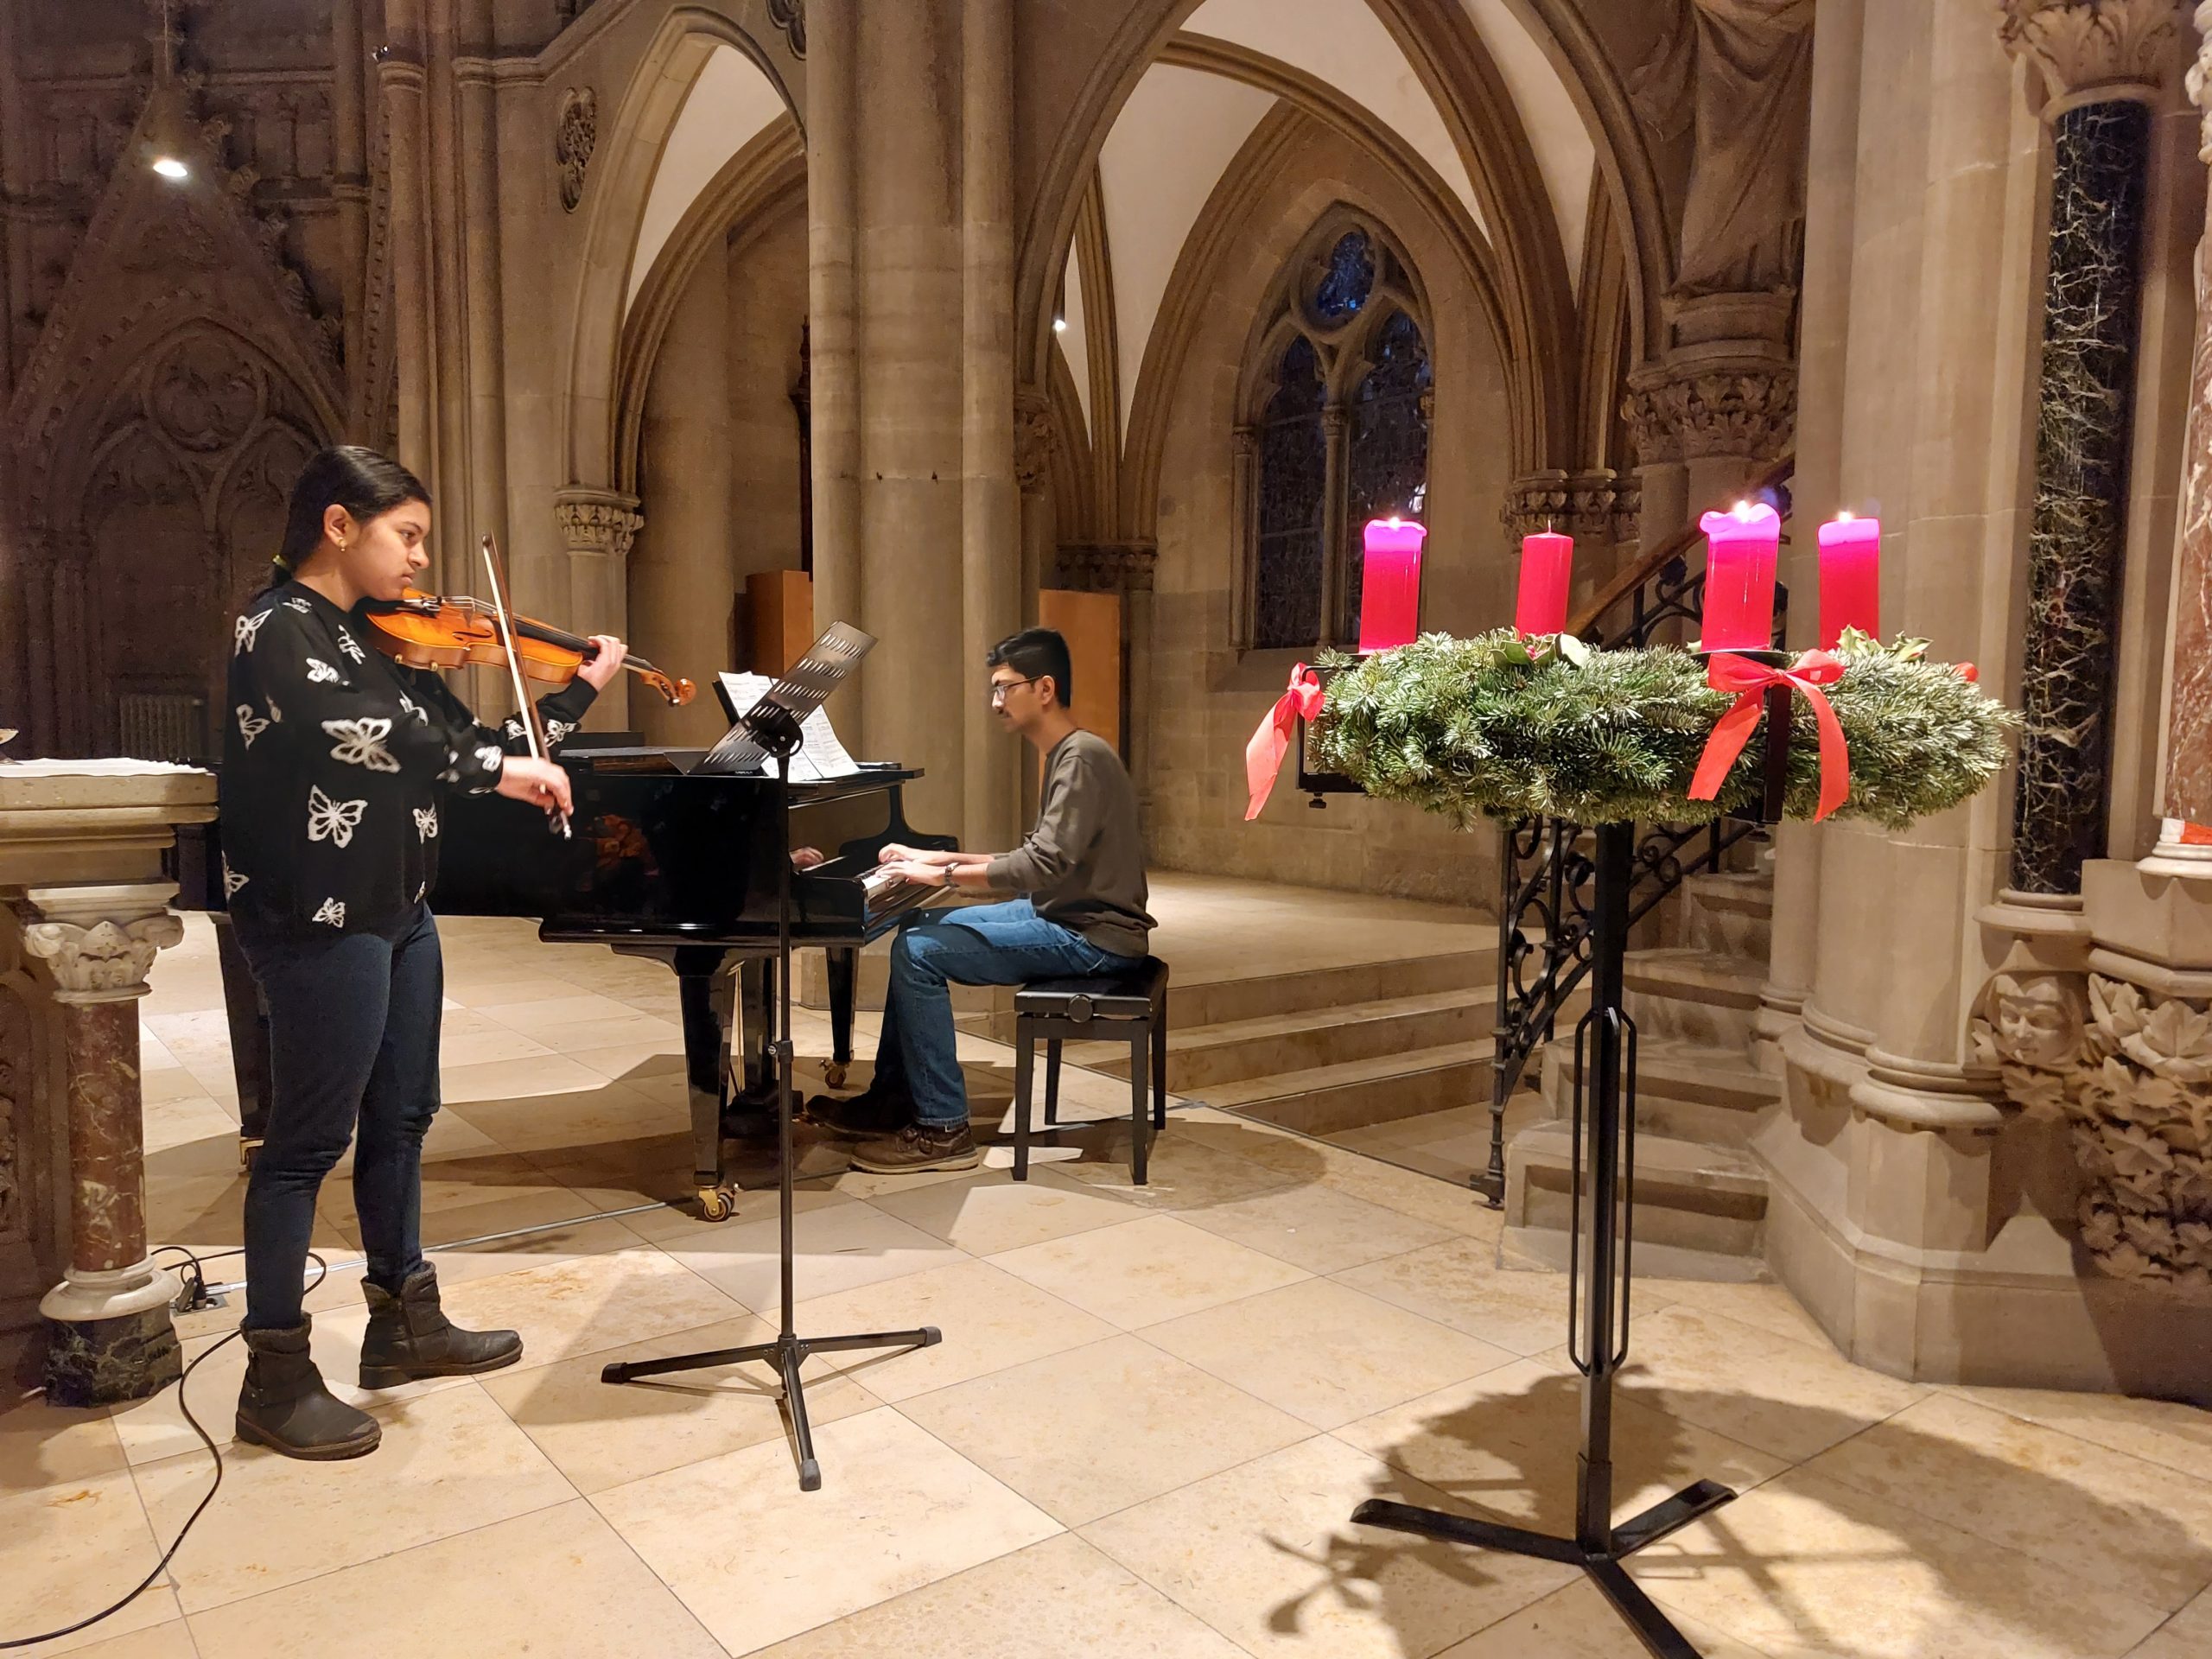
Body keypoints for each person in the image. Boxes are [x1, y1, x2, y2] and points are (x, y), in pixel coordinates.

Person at [219, 445, 629, 1460]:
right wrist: (497, 767)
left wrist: (570, 699)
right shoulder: (276, 629)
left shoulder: (377, 644)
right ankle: (272, 1378)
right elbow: (352, 737)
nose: (417, 561)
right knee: (306, 1145)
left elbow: (469, 739)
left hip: (397, 908)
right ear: (339, 526)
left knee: (402, 1117)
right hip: (319, 915)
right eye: (407, 536)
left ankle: (407, 1324)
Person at [810, 627, 1154, 1173]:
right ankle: (896, 1098)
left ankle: (944, 1128)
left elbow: (1039, 868)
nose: (996, 702)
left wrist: (939, 868)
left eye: (1004, 688)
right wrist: (927, 863)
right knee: (918, 926)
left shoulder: (1080, 758)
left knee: (919, 952)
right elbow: (1037, 858)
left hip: (1093, 936)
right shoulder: (1073, 753)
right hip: (1064, 912)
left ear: (1044, 688)